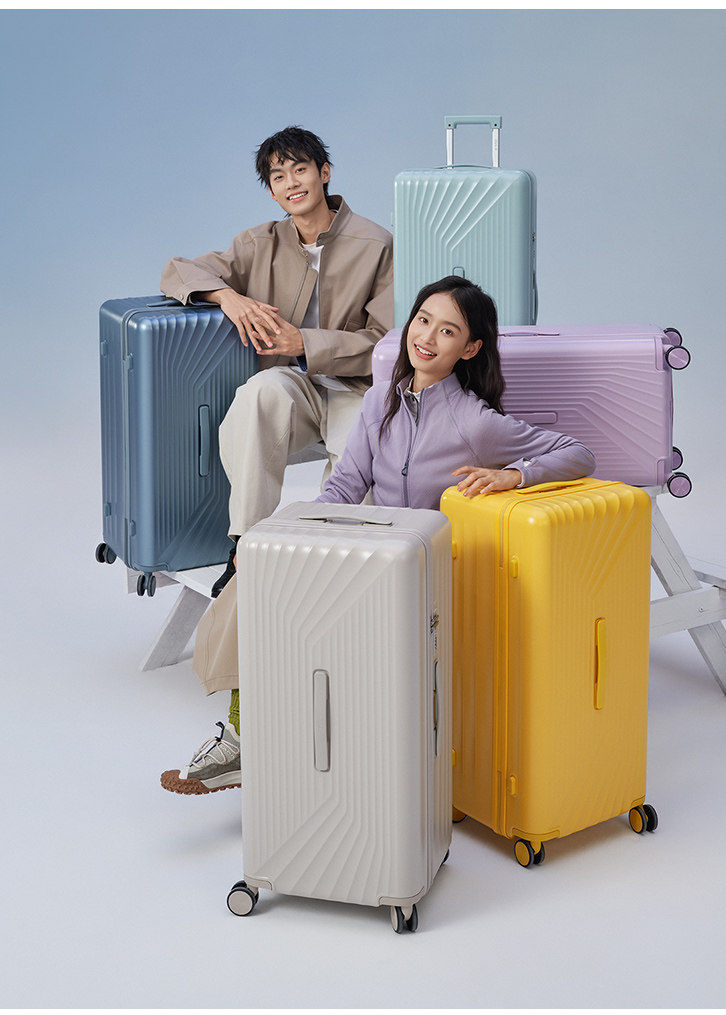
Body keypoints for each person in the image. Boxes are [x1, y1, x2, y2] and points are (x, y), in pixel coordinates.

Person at [160, 276, 596, 795]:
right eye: (423, 320)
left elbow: (579, 453)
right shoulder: (380, 403)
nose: (427, 337)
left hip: (424, 572)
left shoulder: (475, 423)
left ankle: (259, 741)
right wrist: (291, 538)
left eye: (448, 330)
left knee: (295, 607)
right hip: (372, 551)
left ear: (470, 348)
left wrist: (513, 474)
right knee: (259, 573)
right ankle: (244, 739)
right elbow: (346, 485)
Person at [160, 126, 393, 597]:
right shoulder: (257, 243)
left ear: (324, 173)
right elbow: (178, 270)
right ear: (271, 191)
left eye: (300, 170)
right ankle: (246, 547)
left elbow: (385, 344)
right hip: (295, 387)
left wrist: (304, 341)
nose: (291, 183)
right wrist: (228, 297)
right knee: (257, 396)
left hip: (356, 387)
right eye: (278, 176)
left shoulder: (376, 243)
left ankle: (334, 567)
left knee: (358, 457)